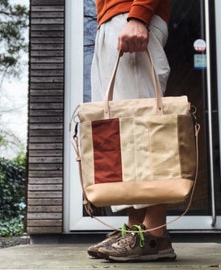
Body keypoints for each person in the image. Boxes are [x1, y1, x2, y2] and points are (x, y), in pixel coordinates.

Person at [87, 0, 174, 262]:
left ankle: (155, 233)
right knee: (122, 136)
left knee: (144, 130)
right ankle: (136, 227)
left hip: (130, 16)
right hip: (111, 21)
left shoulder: (135, 17)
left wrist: (139, 15)